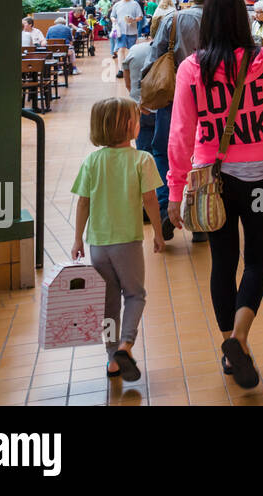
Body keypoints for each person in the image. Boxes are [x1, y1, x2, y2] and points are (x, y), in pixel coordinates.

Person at [167, 0, 263, 390]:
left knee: (223, 263)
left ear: (206, 23)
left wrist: (175, 191)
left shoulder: (191, 68)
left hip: (212, 178)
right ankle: (241, 337)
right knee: (258, 261)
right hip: (261, 175)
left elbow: (180, 134)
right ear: (245, 20)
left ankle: (229, 344)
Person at [70, 96, 165, 382]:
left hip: (98, 245)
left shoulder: (92, 161)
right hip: (128, 243)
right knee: (135, 294)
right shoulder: (141, 160)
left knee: (109, 303)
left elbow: (83, 202)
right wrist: (159, 233)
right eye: (137, 118)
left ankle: (112, 358)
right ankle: (126, 344)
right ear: (128, 125)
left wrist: (78, 240)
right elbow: (150, 200)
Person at [149, 0, 218, 242]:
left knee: (165, 149)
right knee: (205, 155)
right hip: (214, 97)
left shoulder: (173, 19)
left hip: (174, 96)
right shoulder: (221, 22)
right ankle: (200, 218)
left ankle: (168, 207)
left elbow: (155, 56)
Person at [122, 37, 171, 241]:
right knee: (163, 156)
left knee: (145, 157)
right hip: (164, 109)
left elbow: (126, 82)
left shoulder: (134, 50)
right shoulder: (170, 55)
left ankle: (149, 205)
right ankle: (163, 205)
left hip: (140, 109)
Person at [110, 0, 143, 79]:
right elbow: (112, 15)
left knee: (131, 51)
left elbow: (140, 16)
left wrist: (133, 20)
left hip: (132, 31)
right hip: (121, 31)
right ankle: (121, 69)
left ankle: (131, 68)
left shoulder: (135, 4)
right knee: (121, 49)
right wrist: (114, 20)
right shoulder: (117, 5)